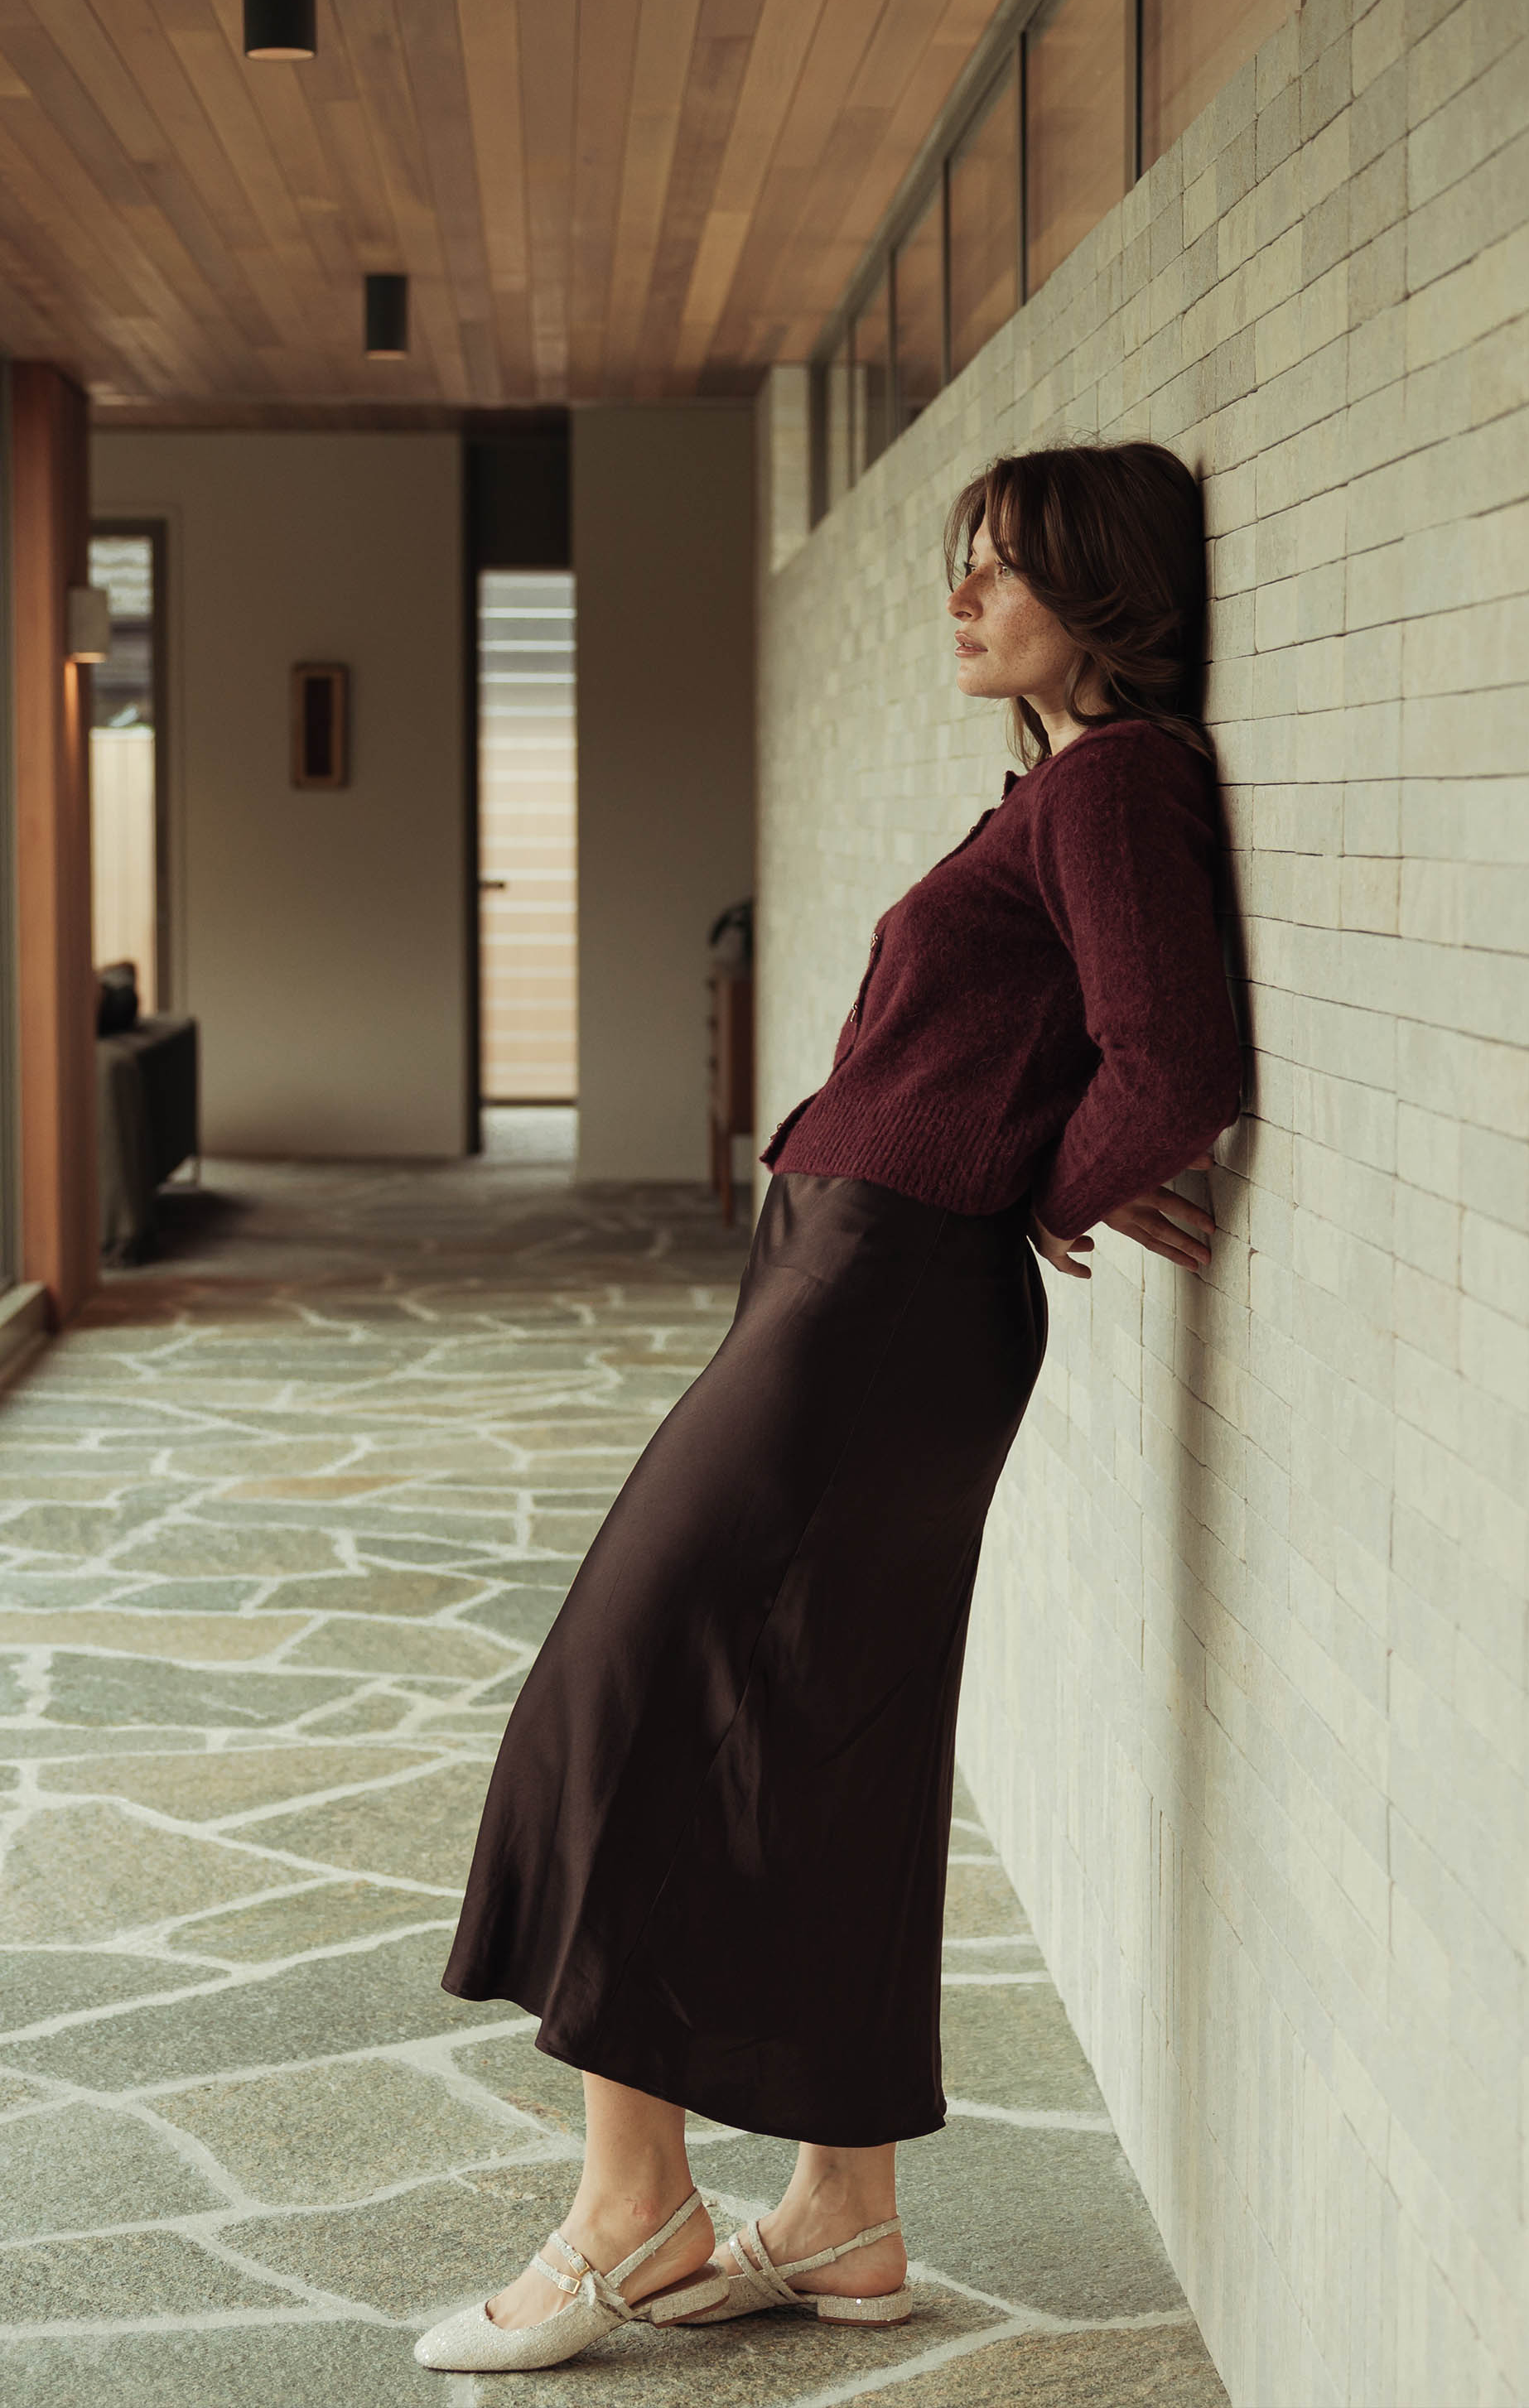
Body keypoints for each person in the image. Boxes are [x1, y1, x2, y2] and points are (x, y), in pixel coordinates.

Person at [415, 440, 1243, 2375]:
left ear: (1103, 595)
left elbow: (1174, 1050)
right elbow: (1082, 1048)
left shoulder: (1113, 782)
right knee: (823, 1734)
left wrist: (1037, 1184)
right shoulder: (1056, 785)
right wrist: (1033, 1153)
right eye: (955, 563)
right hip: (858, 1286)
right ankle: (843, 2213)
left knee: (626, 1682)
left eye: (1001, 569)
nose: (958, 597)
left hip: (882, 1301)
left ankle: (637, 2214)